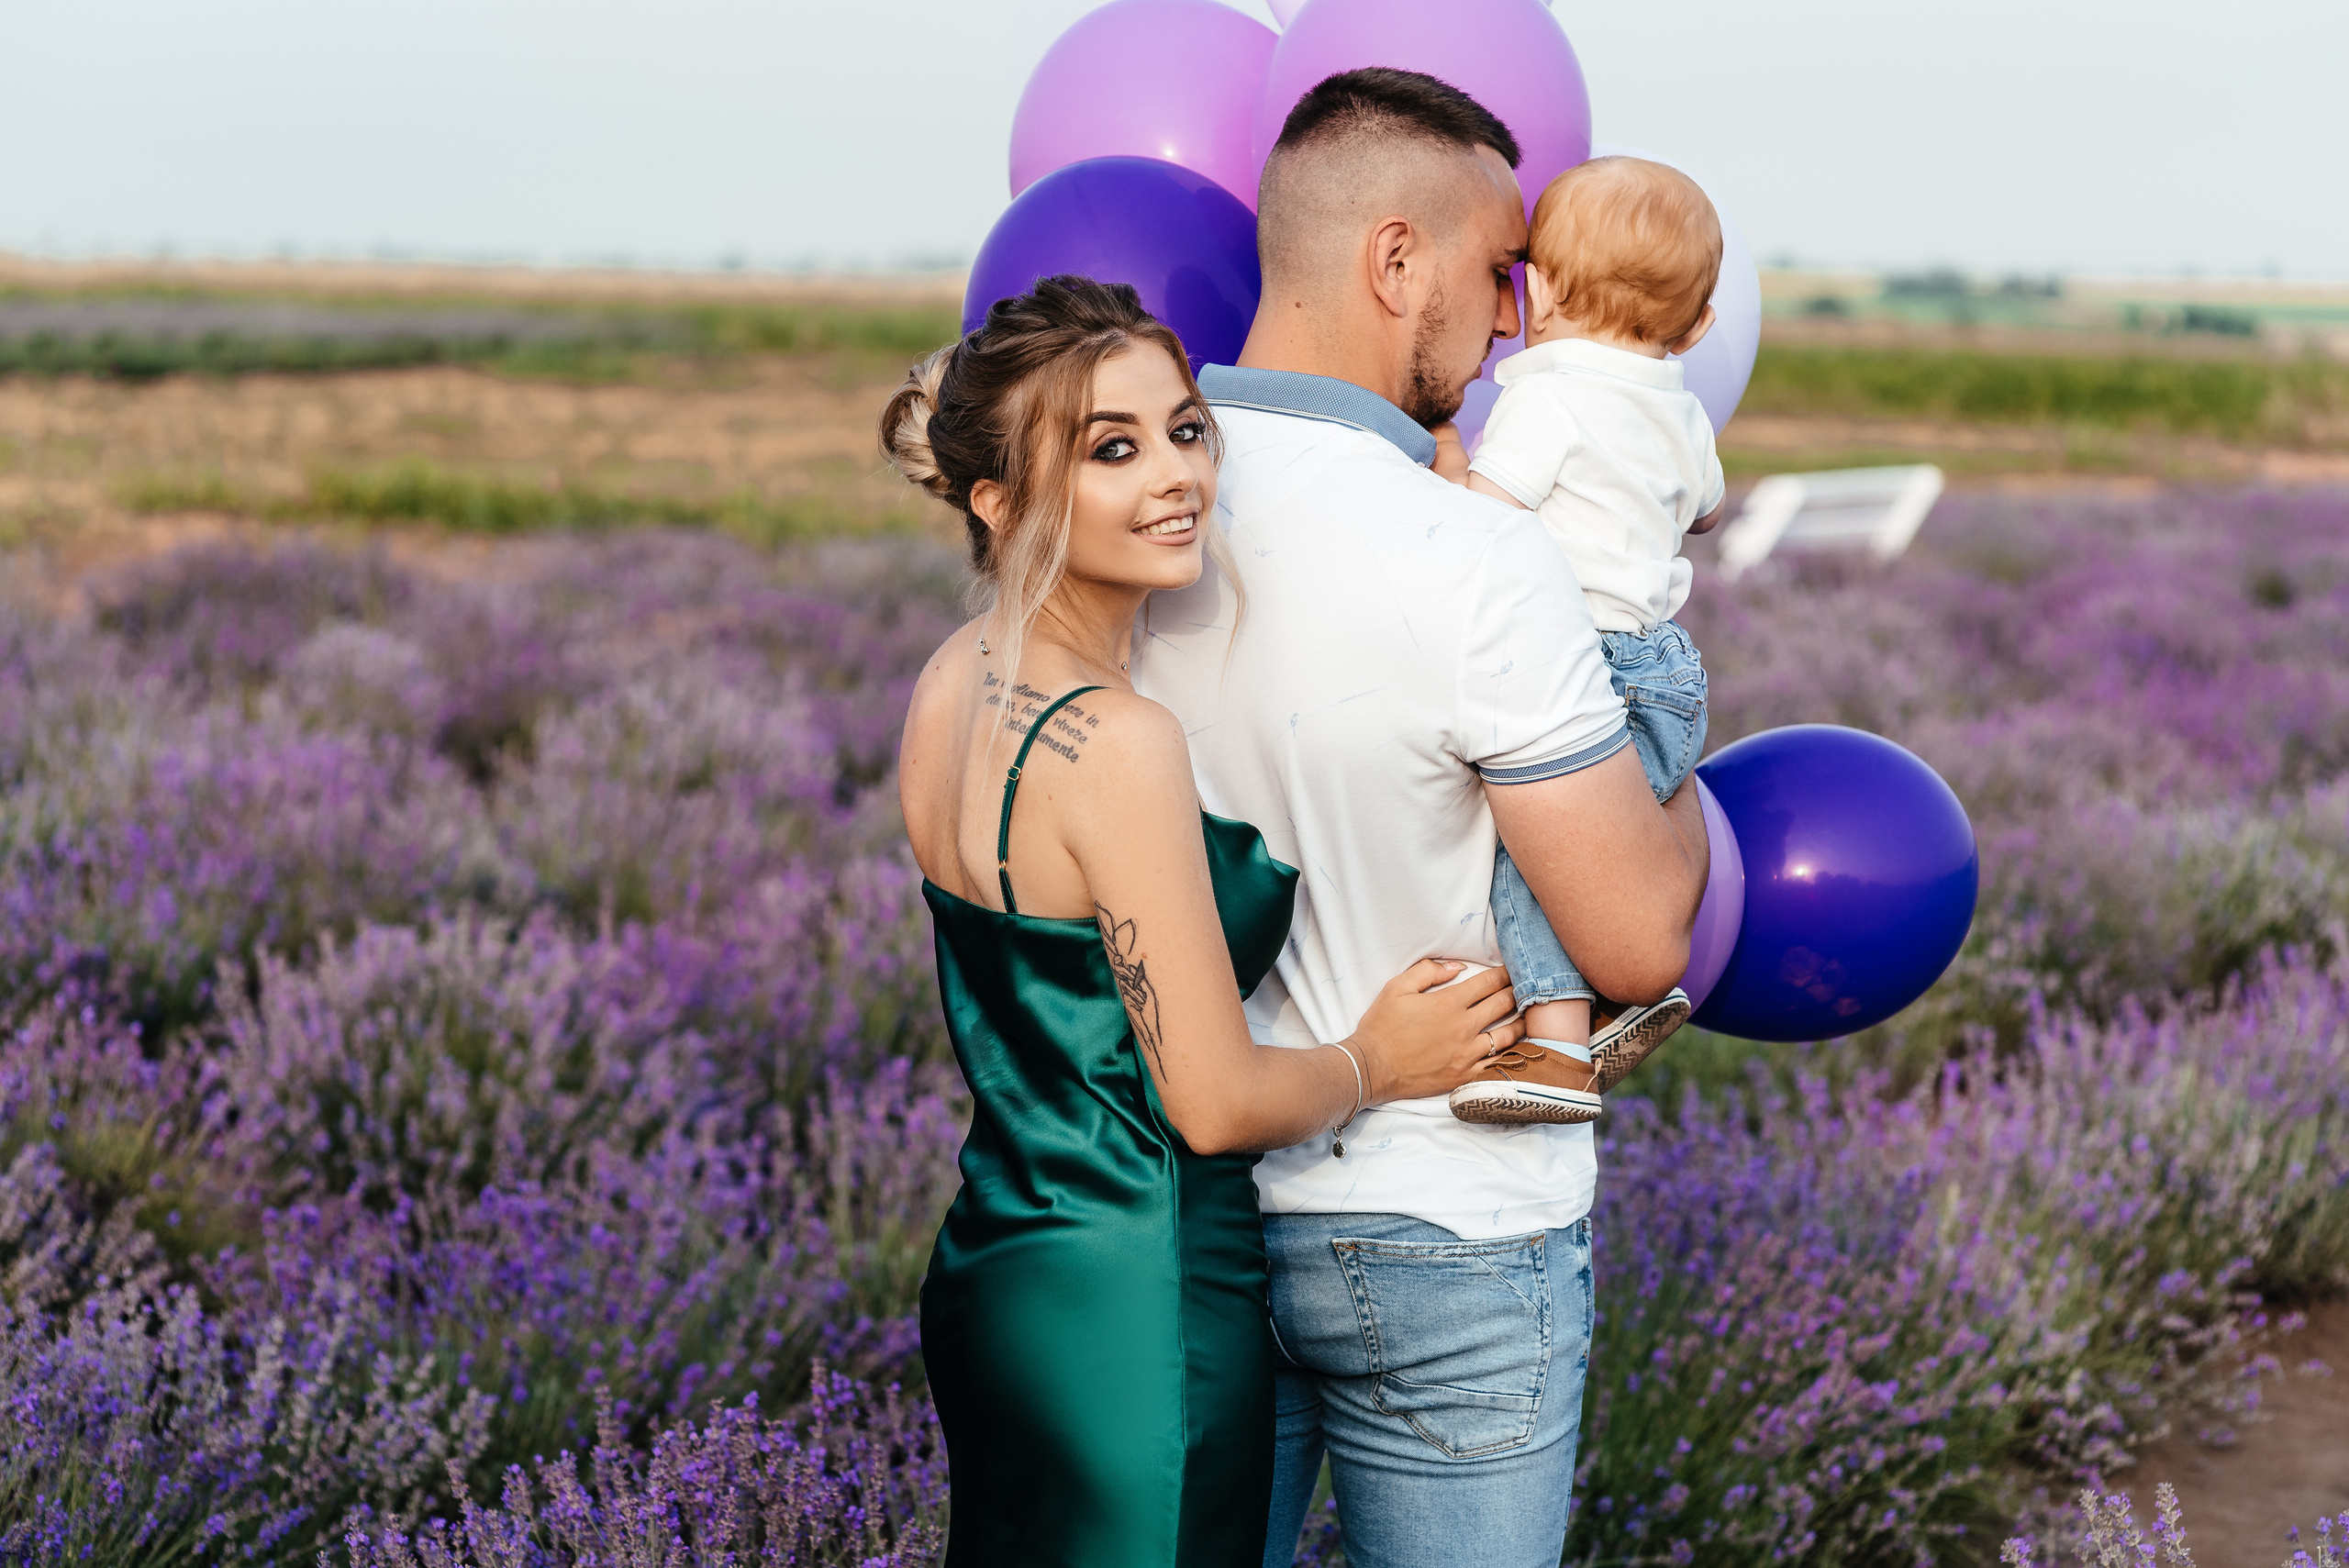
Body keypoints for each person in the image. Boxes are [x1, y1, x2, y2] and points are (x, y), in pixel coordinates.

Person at [1127, 72, 1712, 1568]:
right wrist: (1680, 757)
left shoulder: (1123, 513)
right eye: (1500, 270)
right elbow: (1637, 936)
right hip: (1452, 1221)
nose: (1517, 319)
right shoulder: (1481, 557)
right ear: (1396, 260)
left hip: (1173, 1210)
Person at [886, 274, 1526, 1568]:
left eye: (1185, 429)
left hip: (1006, 1264)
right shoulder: (1116, 739)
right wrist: (1377, 1060)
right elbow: (1215, 1104)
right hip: (1146, 1298)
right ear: (997, 500)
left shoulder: (952, 680)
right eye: (1111, 449)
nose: (1176, 473)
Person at [1432, 154, 1731, 1111]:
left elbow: (1483, 515)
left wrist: (1442, 461)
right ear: (1698, 325)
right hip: (1666, 666)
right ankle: (1615, 996)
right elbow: (1707, 512)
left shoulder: (1547, 399)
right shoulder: (1681, 407)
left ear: (1545, 293)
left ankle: (1557, 1047)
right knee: (1622, 848)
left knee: (1536, 851)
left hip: (1579, 659)